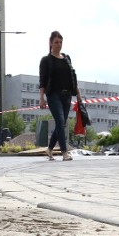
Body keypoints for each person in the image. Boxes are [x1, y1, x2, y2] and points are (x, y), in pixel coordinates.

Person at [39, 30, 79, 161]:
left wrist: (78, 94)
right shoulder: (46, 60)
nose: (59, 44)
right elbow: (42, 80)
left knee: (61, 124)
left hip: (66, 95)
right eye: (56, 42)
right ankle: (64, 152)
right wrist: (42, 98)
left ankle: (49, 149)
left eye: (61, 42)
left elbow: (73, 77)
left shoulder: (67, 58)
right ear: (50, 43)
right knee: (60, 121)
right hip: (53, 95)